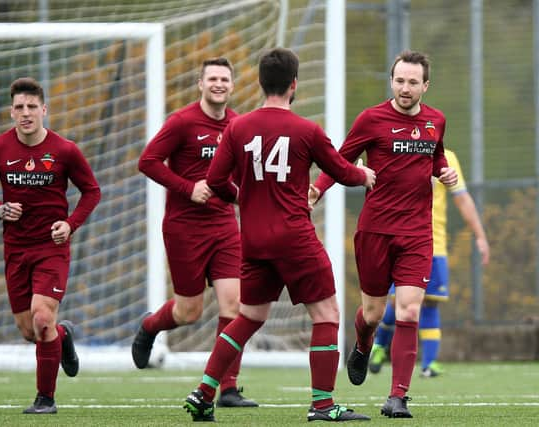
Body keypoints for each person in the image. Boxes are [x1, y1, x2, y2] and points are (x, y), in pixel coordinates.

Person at [183, 47, 375, 422]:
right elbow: (342, 170)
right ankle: (322, 405)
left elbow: (216, 181)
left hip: (253, 241)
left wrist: (240, 198)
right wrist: (364, 175)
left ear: (259, 83)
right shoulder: (306, 130)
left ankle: (204, 392)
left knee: (249, 316)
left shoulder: (237, 128)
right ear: (294, 85)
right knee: (326, 314)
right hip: (294, 239)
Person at [310, 50, 458, 418]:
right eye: (399, 80)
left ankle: (397, 397)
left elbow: (435, 156)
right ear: (391, 81)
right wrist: (316, 190)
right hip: (375, 231)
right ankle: (362, 344)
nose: (405, 88)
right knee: (373, 314)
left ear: (426, 85)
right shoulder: (371, 119)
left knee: (409, 310)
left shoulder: (436, 120)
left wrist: (443, 171)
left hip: (417, 234)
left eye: (412, 82)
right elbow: (340, 161)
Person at [0, 77, 100, 414]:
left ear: (44, 110)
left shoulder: (65, 150)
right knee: (31, 331)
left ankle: (46, 400)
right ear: (11, 112)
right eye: (19, 107)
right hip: (15, 250)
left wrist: (70, 225)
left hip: (51, 248)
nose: (25, 113)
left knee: (41, 319)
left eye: (32, 107)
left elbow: (92, 191)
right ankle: (64, 336)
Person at [134, 57, 258, 408]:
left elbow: (244, 175)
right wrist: (188, 188)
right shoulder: (182, 122)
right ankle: (150, 327)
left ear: (232, 87)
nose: (218, 84)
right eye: (212, 79)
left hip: (224, 226)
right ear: (200, 85)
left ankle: (227, 388)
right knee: (189, 311)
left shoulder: (239, 124)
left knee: (234, 304)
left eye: (224, 79)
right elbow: (148, 161)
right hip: (184, 227)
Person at [368, 148, 490, 377]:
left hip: (435, 242)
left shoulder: (448, 157)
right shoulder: (396, 150)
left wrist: (480, 235)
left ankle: (428, 364)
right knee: (399, 302)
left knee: (430, 302)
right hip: (403, 240)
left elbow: (462, 198)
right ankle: (379, 346)